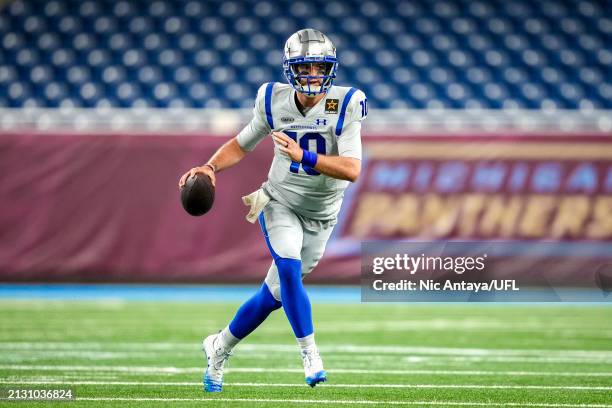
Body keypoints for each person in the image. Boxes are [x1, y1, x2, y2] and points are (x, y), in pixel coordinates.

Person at [178, 28, 367, 392]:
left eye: (318, 67)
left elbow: (352, 169)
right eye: (305, 67)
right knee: (289, 268)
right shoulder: (272, 100)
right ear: (290, 69)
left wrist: (303, 156)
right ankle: (310, 355)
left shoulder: (345, 103)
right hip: (278, 202)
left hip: (323, 214)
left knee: (272, 297)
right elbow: (242, 143)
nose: (313, 75)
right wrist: (210, 167)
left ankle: (219, 346)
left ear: (330, 69)